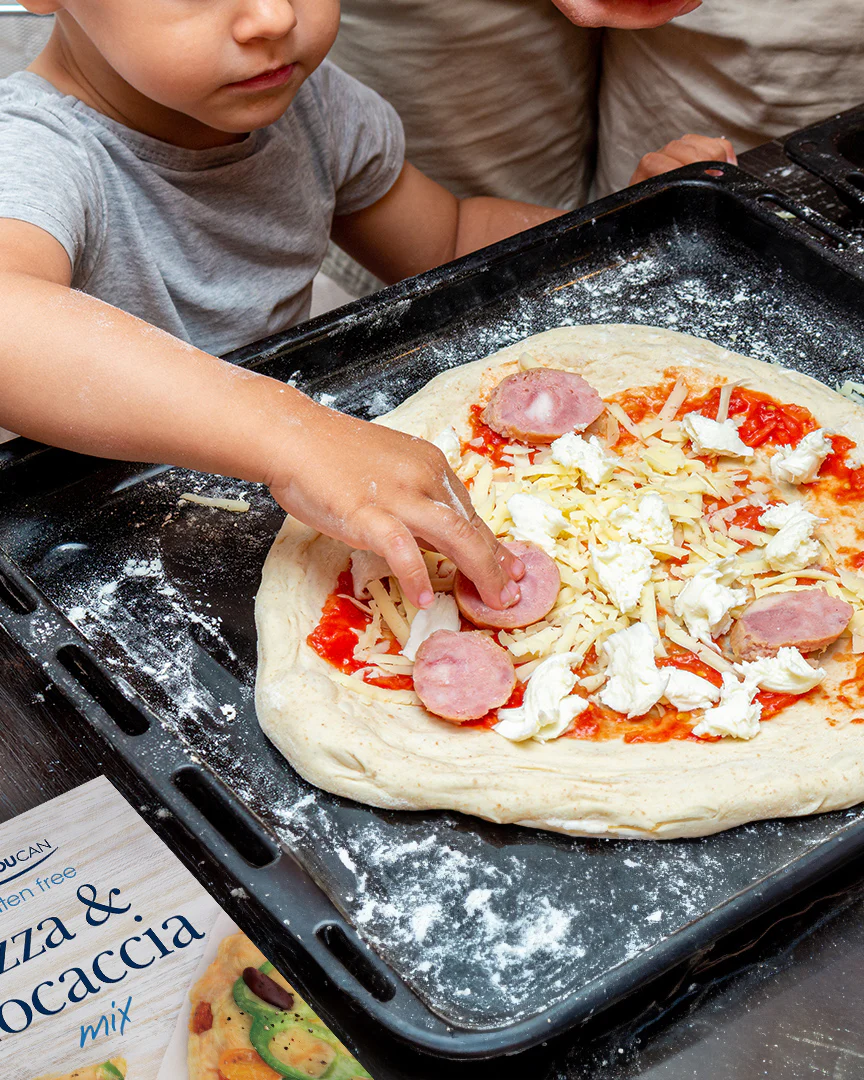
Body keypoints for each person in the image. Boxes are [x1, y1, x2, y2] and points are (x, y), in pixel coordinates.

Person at [0, 0, 732, 616]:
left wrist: (623, 228)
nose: (273, 16)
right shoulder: (36, 151)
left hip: (296, 480)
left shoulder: (311, 106)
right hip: (79, 534)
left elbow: (450, 239)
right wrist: (295, 438)